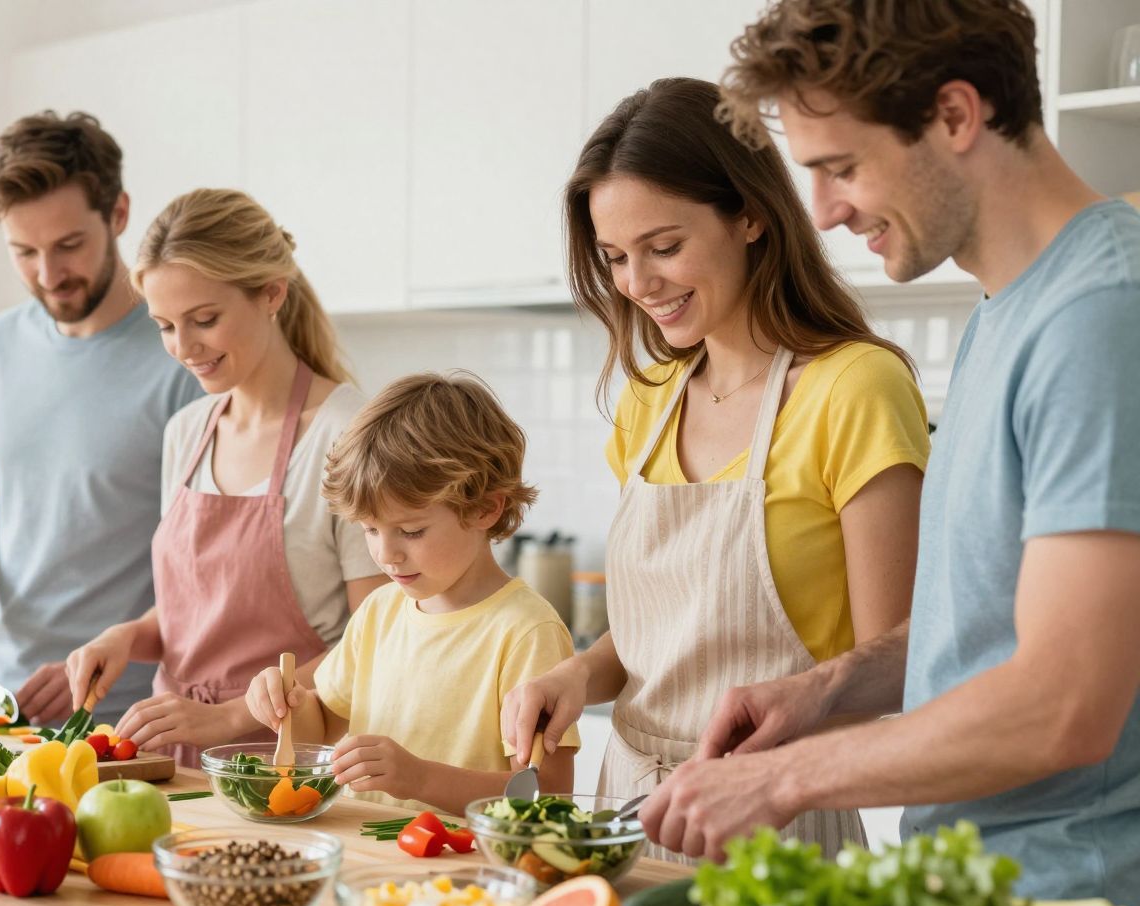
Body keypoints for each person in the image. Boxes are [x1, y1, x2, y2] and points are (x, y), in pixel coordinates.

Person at [637, 0, 1140, 906]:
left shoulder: (1101, 315)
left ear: (955, 116)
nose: (823, 212)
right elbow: (990, 627)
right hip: (988, 904)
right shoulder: (1007, 310)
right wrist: (824, 692)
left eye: (842, 168)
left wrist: (783, 778)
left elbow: (1067, 702)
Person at [501, 77, 929, 860]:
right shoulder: (651, 398)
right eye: (615, 258)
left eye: (664, 247)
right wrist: (576, 676)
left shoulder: (854, 388)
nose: (637, 284)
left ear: (751, 215)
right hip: (627, 816)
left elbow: (900, 662)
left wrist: (757, 774)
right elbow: (651, 644)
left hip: (777, 826)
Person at [65, 189, 386, 766]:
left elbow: (380, 640)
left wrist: (231, 716)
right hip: (173, 765)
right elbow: (199, 610)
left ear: (271, 293)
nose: (183, 348)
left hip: (287, 770)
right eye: (164, 325)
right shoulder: (187, 432)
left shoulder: (348, 433)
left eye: (204, 320)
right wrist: (128, 638)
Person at [0, 111, 201, 724]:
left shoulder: (185, 356)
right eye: (24, 251)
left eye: (69, 245)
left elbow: (210, 570)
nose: (49, 275)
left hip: (124, 716)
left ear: (119, 214)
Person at [246, 373, 580, 813]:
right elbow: (322, 726)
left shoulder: (524, 631)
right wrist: (284, 705)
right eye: (369, 529)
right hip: (375, 858)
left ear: (485, 508)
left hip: (465, 871)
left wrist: (419, 778)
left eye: (411, 530)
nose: (386, 555)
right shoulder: (380, 612)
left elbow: (547, 794)